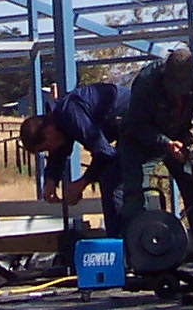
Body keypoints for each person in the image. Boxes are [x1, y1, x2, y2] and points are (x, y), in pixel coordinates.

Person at [118, 46, 193, 272]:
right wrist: (165, 143)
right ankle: (138, 262)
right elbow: (136, 125)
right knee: (134, 195)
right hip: (140, 140)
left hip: (179, 135)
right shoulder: (146, 81)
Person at [19, 81, 129, 231]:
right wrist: (51, 180)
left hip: (137, 121)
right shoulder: (60, 124)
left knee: (113, 181)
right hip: (121, 127)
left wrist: (81, 183)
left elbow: (105, 154)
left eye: (46, 148)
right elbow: (59, 153)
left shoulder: (72, 115)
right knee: (111, 178)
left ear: (48, 132)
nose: (50, 151)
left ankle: (125, 238)